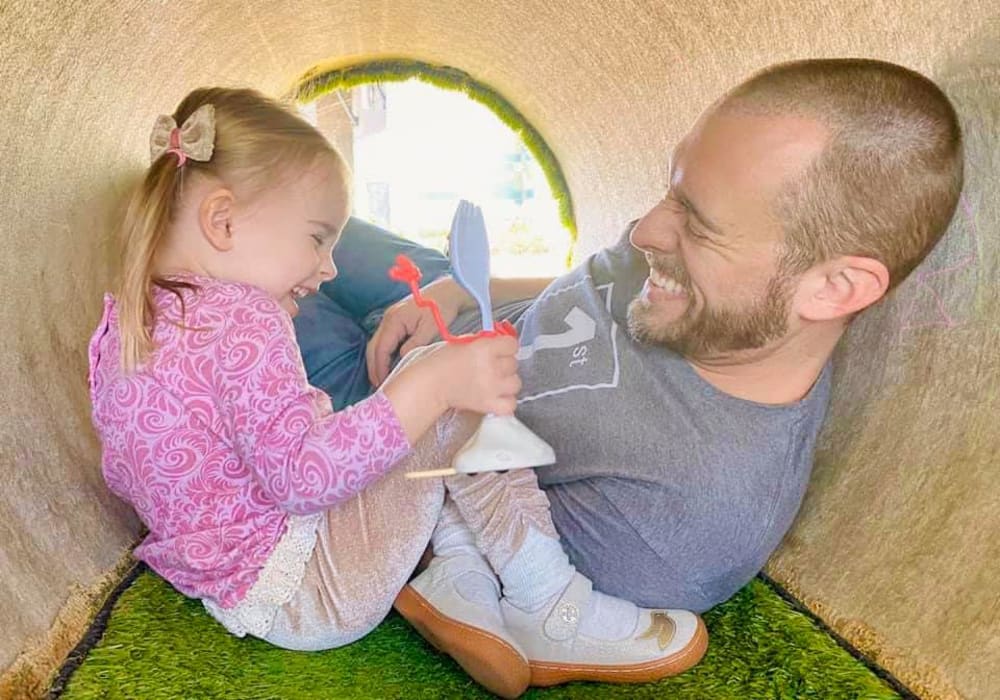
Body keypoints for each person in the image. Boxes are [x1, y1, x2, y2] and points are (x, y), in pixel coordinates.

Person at [294, 58, 963, 680]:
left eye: (698, 225)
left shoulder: (679, 520)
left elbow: (443, 525)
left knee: (231, 264)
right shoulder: (698, 278)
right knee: (279, 186)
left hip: (379, 412)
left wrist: (414, 389)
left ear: (834, 289)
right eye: (671, 191)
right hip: (442, 301)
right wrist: (465, 291)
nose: (645, 230)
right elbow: (592, 275)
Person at [87, 87, 707, 700]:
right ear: (222, 221)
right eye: (317, 238)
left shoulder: (129, 320)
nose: (329, 267)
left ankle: (460, 583)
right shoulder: (244, 317)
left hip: (235, 587)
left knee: (413, 412)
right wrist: (433, 381)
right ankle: (551, 603)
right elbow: (302, 479)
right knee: (453, 393)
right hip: (311, 586)